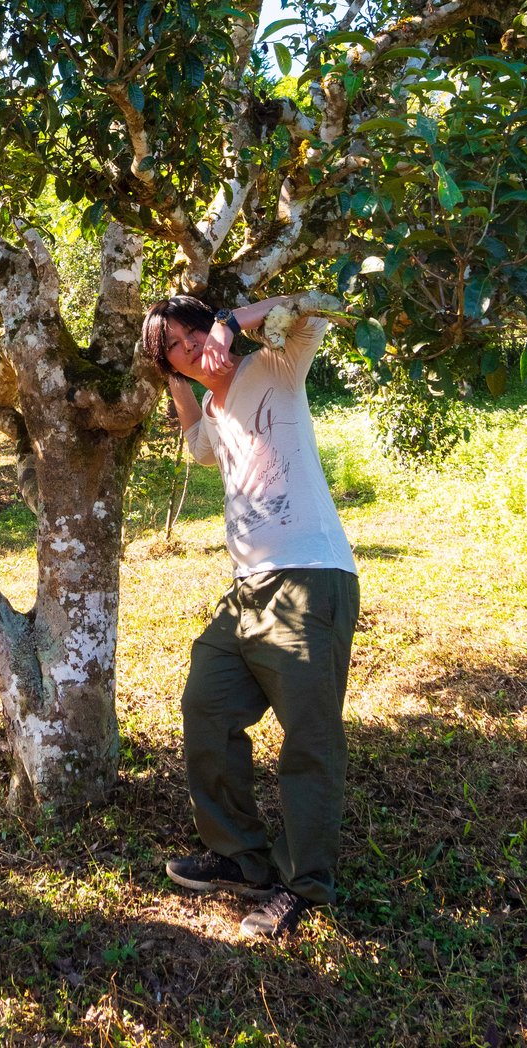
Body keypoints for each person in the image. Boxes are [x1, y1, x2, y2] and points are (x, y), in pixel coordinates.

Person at [141, 293, 359, 941]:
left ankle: (304, 884)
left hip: (310, 575)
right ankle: (240, 856)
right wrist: (178, 385)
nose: (190, 350)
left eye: (190, 335)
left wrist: (230, 321)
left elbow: (316, 301)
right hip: (245, 591)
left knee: (309, 737)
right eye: (172, 348)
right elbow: (201, 450)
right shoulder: (211, 403)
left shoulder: (277, 363)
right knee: (205, 705)